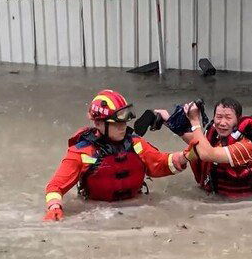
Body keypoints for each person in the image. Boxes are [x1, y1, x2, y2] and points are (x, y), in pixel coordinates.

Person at [43, 89, 189, 221]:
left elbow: (161, 162)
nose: (122, 127)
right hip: (97, 214)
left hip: (138, 210)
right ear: (98, 123)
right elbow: (55, 186)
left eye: (124, 122)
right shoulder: (81, 153)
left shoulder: (137, 144)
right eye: (116, 124)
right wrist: (54, 207)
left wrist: (184, 156)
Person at [155, 98, 252, 198]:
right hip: (216, 196)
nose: (222, 123)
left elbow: (206, 154)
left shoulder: (246, 146)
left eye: (228, 118)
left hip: (240, 201)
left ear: (238, 120)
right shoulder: (215, 135)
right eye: (219, 117)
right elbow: (195, 142)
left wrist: (194, 120)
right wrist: (169, 121)